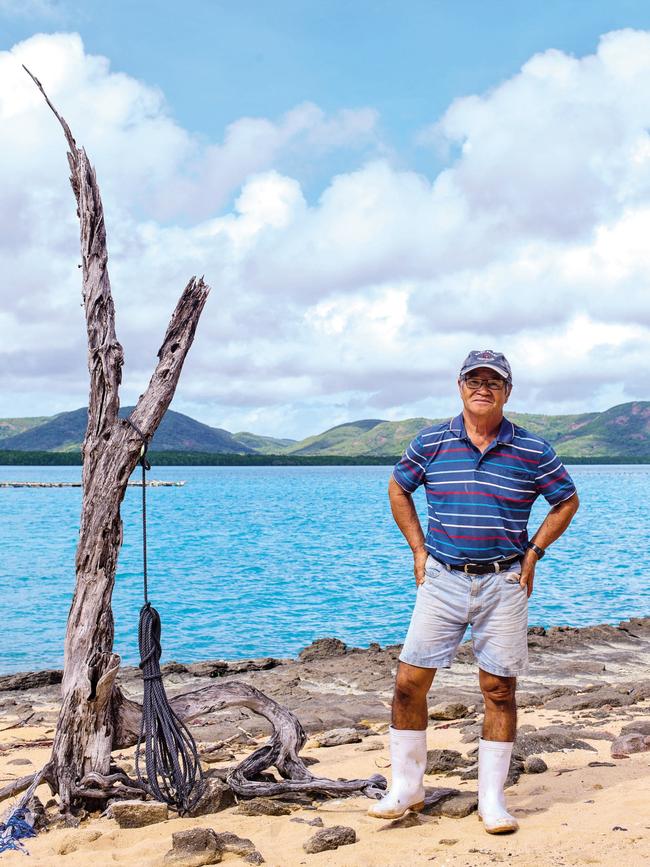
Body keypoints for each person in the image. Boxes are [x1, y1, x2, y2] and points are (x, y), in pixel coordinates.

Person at [368, 350, 579, 833]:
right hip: (441, 578)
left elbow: (566, 500)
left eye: (493, 381)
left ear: (507, 390)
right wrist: (418, 550)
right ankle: (407, 788)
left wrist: (534, 554)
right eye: (473, 379)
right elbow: (398, 488)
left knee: (499, 690)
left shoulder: (533, 450)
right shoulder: (431, 441)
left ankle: (491, 800)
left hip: (505, 582)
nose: (482, 388)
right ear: (459, 385)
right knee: (408, 683)